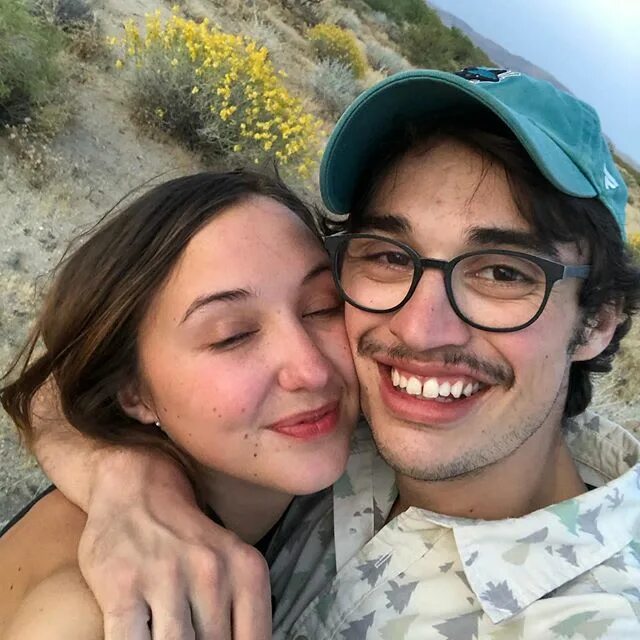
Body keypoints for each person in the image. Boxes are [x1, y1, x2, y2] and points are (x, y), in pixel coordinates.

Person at [6, 67, 640, 638]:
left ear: (597, 323)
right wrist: (133, 485)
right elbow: (77, 379)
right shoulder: (338, 427)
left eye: (503, 273)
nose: (420, 333)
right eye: (391, 257)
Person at [0, 169, 360, 639]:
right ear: (133, 393)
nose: (312, 370)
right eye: (231, 336)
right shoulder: (105, 612)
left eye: (322, 307)